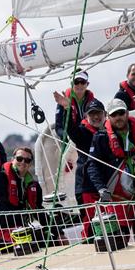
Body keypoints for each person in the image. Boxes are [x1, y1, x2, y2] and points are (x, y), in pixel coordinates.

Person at [86, 98, 135, 239]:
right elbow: (93, 165)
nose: (118, 117)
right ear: (108, 117)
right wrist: (101, 188)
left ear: (127, 113)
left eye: (121, 113)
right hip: (117, 194)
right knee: (119, 237)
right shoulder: (101, 138)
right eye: (114, 115)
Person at [53, 92, 106, 239]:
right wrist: (66, 108)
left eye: (99, 113)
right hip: (87, 186)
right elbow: (70, 129)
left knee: (111, 222)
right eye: (92, 114)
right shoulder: (81, 133)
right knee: (90, 225)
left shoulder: (109, 132)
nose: (96, 117)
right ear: (86, 117)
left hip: (107, 184)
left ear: (105, 114)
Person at [54, 70, 99, 142]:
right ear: (72, 84)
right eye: (76, 82)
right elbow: (58, 127)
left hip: (89, 137)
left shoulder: (94, 102)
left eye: (83, 82)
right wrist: (66, 136)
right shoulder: (63, 102)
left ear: (87, 84)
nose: (79, 85)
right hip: (71, 139)